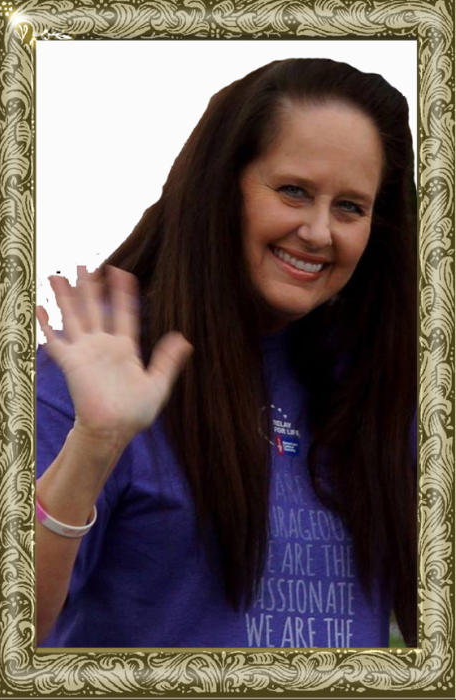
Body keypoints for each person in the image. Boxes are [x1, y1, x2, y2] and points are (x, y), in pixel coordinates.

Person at [36, 57, 417, 649]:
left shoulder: (387, 392)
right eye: (293, 191)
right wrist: (95, 443)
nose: (319, 232)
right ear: (222, 191)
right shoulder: (84, 381)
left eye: (350, 206)